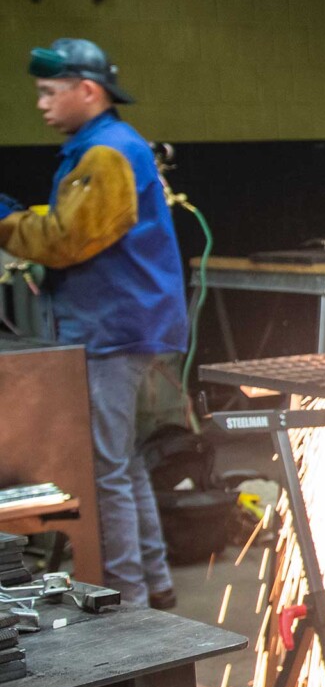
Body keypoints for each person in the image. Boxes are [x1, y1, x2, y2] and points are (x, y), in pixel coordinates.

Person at [0, 40, 186, 609]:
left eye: (49, 92)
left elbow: (64, 240)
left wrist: (6, 220)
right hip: (126, 326)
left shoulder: (105, 153)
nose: (41, 104)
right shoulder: (103, 147)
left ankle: (128, 602)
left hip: (113, 331)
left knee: (103, 471)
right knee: (122, 463)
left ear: (88, 90)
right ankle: (155, 587)